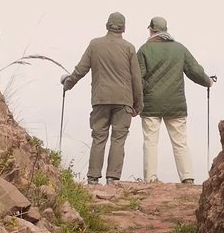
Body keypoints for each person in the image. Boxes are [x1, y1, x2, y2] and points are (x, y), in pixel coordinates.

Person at [61, 12, 143, 185]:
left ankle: (92, 178)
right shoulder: (129, 48)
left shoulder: (94, 45)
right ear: (124, 28)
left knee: (99, 137)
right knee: (118, 139)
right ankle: (112, 178)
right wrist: (138, 103)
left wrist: (68, 84)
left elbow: (81, 69)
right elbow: (136, 78)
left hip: (100, 99)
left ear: (107, 26)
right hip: (124, 100)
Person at [136, 16, 213, 184]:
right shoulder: (179, 49)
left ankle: (150, 178)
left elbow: (137, 78)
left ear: (151, 30)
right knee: (180, 142)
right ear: (165, 30)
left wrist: (137, 100)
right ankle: (187, 178)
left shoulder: (143, 50)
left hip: (151, 103)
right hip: (175, 103)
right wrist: (208, 81)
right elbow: (195, 71)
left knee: (150, 141)